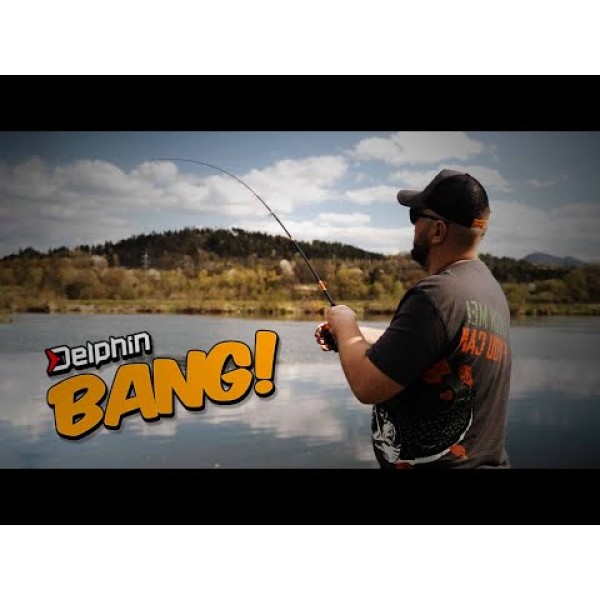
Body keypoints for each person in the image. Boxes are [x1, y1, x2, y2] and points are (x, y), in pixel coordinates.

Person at [315, 169, 511, 468]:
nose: (414, 226)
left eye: (415, 216)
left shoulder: (436, 295)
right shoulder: (488, 291)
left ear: (437, 231)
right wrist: (355, 336)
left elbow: (367, 385)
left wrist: (345, 322)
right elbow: (434, 348)